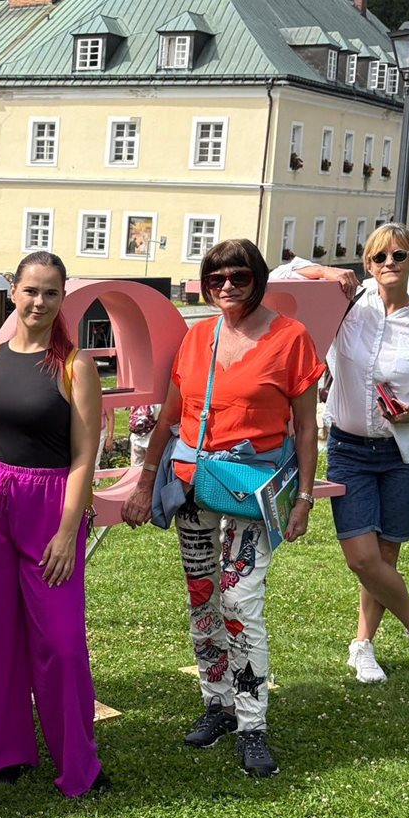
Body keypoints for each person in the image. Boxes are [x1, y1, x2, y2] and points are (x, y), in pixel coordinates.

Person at [122, 239, 322, 779]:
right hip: (193, 488)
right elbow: (169, 417)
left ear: (258, 278)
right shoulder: (198, 337)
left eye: (238, 276)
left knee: (240, 601)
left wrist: (303, 497)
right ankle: (218, 704)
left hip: (251, 493)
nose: (227, 286)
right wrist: (144, 484)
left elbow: (306, 427)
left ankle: (252, 721)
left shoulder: (290, 339)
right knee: (204, 598)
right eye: (216, 279)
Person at [0, 251, 107, 797]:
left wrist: (67, 530)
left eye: (51, 293)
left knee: (60, 640)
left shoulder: (74, 365)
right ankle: (1, 751)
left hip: (48, 503)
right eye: (30, 291)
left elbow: (86, 455)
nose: (38, 302)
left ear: (63, 298)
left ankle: (77, 761)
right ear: (13, 291)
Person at [305, 225, 409, 683]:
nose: (390, 263)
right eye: (379, 257)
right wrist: (329, 271)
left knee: (385, 557)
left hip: (406, 452)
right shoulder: (345, 308)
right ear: (367, 264)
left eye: (400, 255)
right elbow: (283, 273)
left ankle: (363, 646)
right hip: (349, 448)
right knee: (361, 557)